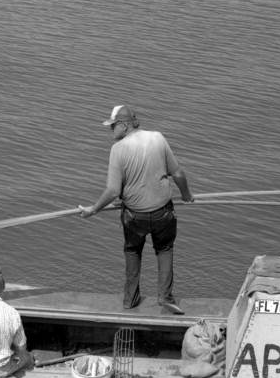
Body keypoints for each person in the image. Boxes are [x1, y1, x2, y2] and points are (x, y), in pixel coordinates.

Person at [79, 104, 194, 314]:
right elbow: (177, 173)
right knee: (165, 249)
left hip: (135, 217)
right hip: (163, 213)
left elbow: (113, 190)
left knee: (133, 251)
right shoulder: (157, 138)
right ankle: (166, 298)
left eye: (112, 126)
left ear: (124, 125)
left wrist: (93, 210)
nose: (110, 130)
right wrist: (186, 195)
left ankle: (130, 300)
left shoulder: (118, 150)